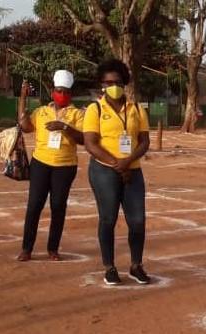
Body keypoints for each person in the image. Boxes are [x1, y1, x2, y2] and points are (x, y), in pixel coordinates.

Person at [83, 59, 151, 286]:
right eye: (109, 82)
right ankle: (109, 267)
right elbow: (91, 143)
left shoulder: (136, 109)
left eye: (118, 82)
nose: (114, 86)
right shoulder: (95, 109)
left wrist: (128, 161)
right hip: (104, 170)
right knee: (108, 218)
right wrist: (116, 164)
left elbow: (144, 141)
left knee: (138, 220)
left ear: (125, 83)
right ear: (102, 85)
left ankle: (136, 265)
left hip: (133, 170)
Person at [16, 70, 84, 261]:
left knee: (58, 206)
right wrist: (23, 98)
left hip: (65, 166)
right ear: (53, 91)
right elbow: (26, 127)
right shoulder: (41, 112)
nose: (62, 95)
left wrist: (64, 127)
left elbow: (83, 139)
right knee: (34, 205)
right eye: (59, 91)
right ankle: (26, 248)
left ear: (70, 94)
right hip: (41, 164)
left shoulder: (77, 114)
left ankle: (53, 248)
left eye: (66, 92)